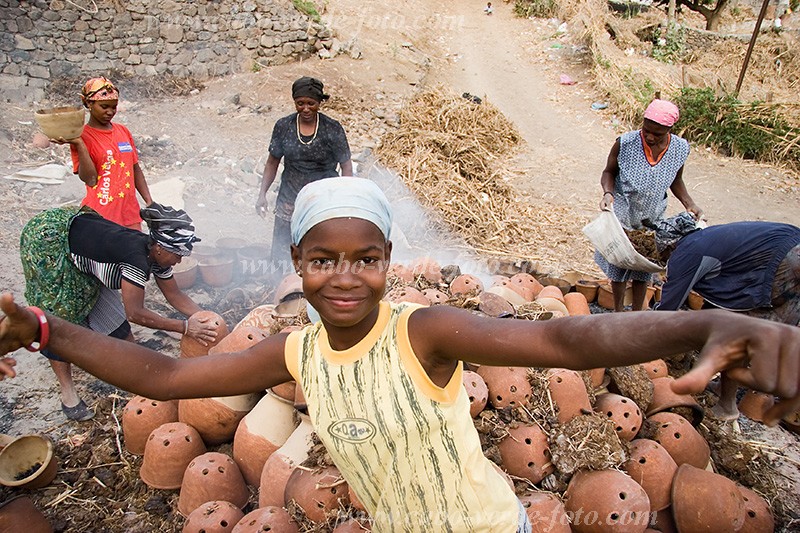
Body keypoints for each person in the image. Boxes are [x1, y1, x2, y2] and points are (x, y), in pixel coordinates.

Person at [2, 178, 799, 531]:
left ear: (388, 260)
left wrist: (697, 328)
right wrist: (41, 328)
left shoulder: (426, 331)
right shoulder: (297, 353)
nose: (344, 276)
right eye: (323, 258)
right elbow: (165, 374)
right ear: (299, 264)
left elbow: (566, 337)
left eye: (365, 256)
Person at [18, 203, 219, 421]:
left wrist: (206, 317)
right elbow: (135, 313)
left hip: (84, 241)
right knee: (58, 319)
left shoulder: (157, 254)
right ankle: (68, 393)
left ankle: (134, 376)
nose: (179, 260)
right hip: (51, 242)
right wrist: (184, 327)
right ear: (161, 248)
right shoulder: (135, 260)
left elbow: (175, 295)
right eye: (178, 254)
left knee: (115, 324)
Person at [655, 219, 800, 420]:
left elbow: (666, 310)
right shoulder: (707, 237)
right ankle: (725, 385)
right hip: (791, 246)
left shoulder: (685, 252)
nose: (665, 259)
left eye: (664, 255)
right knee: (758, 328)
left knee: (735, 334)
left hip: (781, 262)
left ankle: (727, 406)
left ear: (670, 245)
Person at [596, 98, 704, 312]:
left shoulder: (680, 149)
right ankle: (617, 311)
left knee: (644, 266)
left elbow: (676, 180)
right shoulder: (625, 143)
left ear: (670, 130)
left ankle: (637, 313)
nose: (650, 136)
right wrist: (608, 193)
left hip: (652, 216)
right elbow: (609, 171)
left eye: (658, 133)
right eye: (646, 130)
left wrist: (689, 203)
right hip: (624, 210)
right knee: (619, 265)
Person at [255, 76, 353, 278]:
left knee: (321, 243)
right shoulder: (284, 126)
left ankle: (317, 281)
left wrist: (346, 197)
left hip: (324, 198)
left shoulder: (332, 129)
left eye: (311, 103)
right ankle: (280, 284)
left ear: (319, 103)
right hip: (290, 196)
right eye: (300, 103)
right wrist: (262, 193)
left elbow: (346, 165)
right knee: (284, 246)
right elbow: (272, 162)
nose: (306, 108)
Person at [53, 77, 153, 230]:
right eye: (104, 106)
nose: (110, 112)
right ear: (89, 104)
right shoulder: (82, 136)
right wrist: (79, 145)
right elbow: (90, 179)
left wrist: (149, 201)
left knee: (134, 252)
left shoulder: (123, 131)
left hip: (129, 213)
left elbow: (134, 168)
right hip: (100, 216)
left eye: (114, 107)